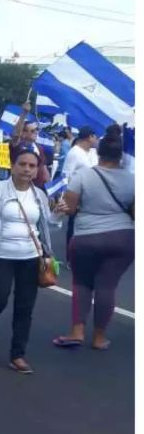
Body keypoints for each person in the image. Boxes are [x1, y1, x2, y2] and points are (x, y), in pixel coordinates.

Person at [0, 143, 54, 374]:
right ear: (13, 165)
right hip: (1, 256)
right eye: (23, 164)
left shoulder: (39, 196)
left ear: (37, 170)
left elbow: (48, 225)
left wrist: (58, 213)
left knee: (25, 307)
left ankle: (17, 354)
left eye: (32, 166)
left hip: (30, 257)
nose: (27, 169)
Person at [53, 125, 134, 351]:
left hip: (87, 237)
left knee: (82, 284)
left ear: (99, 153)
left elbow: (69, 207)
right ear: (121, 155)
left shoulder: (84, 175)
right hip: (122, 238)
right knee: (107, 287)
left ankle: (77, 331)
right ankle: (99, 338)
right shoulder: (132, 180)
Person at [61, 126, 99, 251]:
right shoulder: (74, 152)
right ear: (89, 137)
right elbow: (66, 174)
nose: (97, 140)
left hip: (92, 196)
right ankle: (70, 256)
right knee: (74, 226)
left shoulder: (93, 153)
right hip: (77, 196)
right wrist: (67, 197)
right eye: (95, 137)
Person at [9, 104, 49, 185]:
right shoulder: (18, 145)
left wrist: (50, 189)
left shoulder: (38, 147)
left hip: (37, 188)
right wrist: (24, 113)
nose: (36, 132)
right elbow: (16, 135)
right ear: (23, 133)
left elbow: (44, 170)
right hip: (19, 186)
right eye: (33, 130)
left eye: (36, 130)